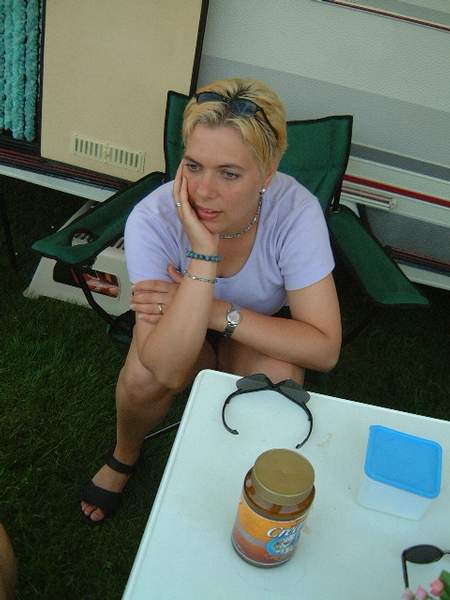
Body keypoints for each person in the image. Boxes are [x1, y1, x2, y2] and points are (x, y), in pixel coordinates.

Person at [81, 77, 341, 523]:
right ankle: (125, 454)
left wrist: (214, 311)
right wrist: (203, 253)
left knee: (276, 387)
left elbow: (324, 349)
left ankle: (238, 476)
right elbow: (166, 367)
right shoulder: (154, 218)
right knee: (143, 375)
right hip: (186, 338)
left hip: (253, 326)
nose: (203, 191)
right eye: (194, 166)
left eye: (229, 173)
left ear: (268, 171)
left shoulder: (295, 211)